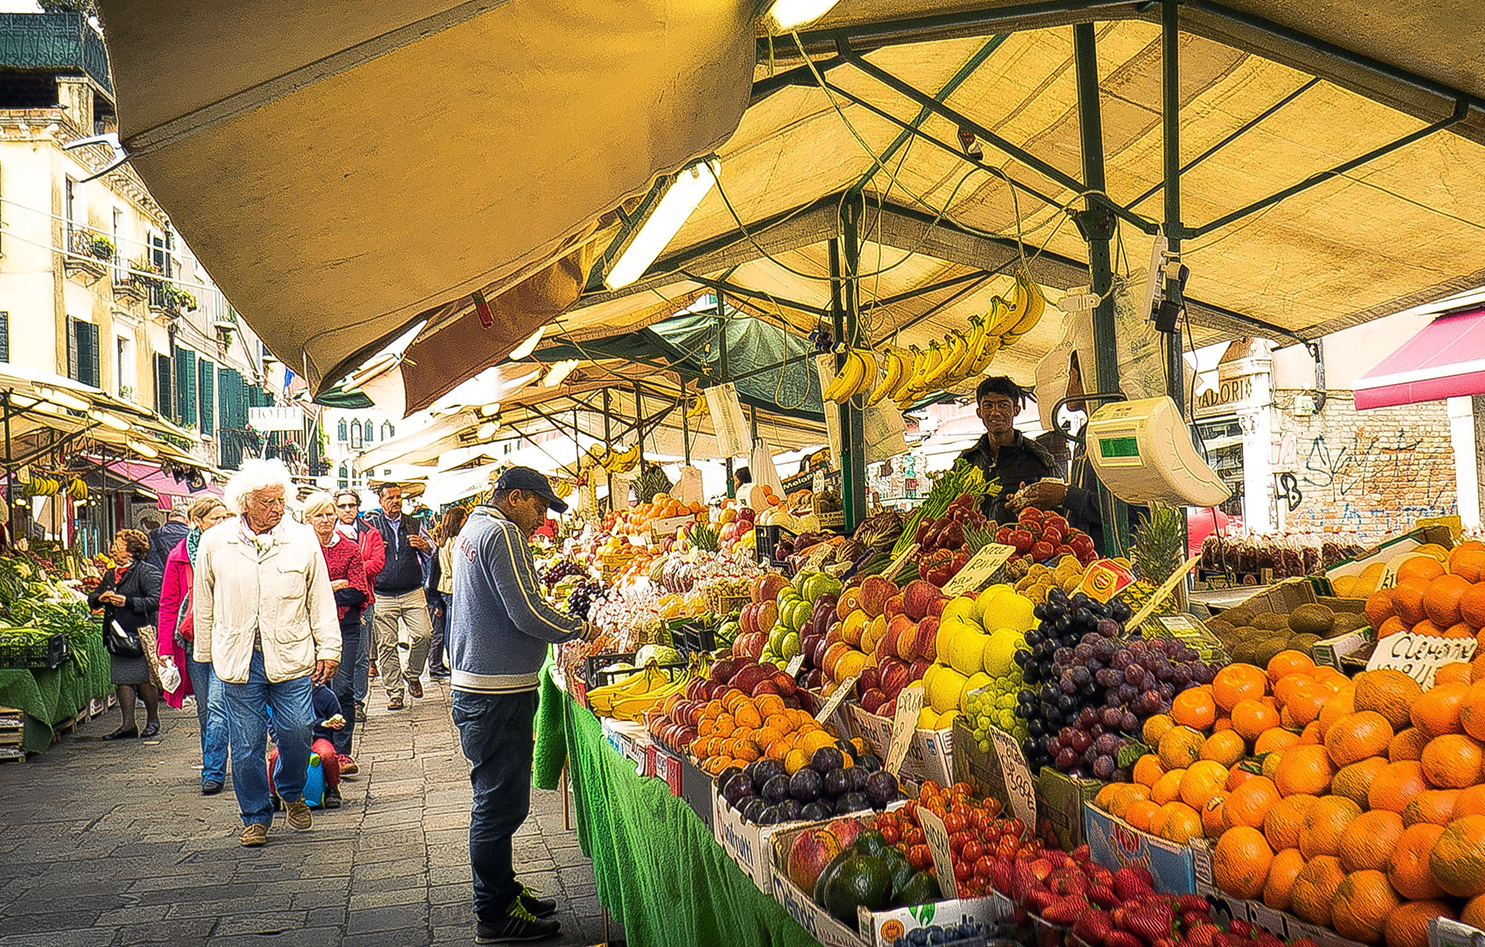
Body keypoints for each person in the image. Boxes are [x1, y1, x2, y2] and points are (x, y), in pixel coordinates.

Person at [449, 467, 601, 943]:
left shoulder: (474, 527)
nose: (541, 521)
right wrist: (579, 628)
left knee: (499, 799)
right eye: (539, 508)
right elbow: (527, 610)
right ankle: (493, 913)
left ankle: (503, 889)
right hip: (495, 693)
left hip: (479, 684)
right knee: (498, 804)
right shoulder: (502, 533)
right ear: (514, 498)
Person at [194, 459, 340, 848]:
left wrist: (329, 648)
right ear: (244, 503)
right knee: (245, 743)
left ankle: (290, 789)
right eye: (267, 502)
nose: (277, 508)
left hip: (291, 653)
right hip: (238, 658)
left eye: (280, 499)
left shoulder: (303, 538)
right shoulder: (215, 542)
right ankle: (255, 815)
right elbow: (204, 601)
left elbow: (320, 598)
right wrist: (205, 655)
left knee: (297, 730)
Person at [157, 496, 235, 793]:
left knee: (217, 705)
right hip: (194, 642)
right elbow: (168, 603)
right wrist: (164, 647)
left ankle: (213, 771)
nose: (222, 522)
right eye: (216, 518)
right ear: (198, 522)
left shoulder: (235, 549)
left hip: (228, 639)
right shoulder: (179, 555)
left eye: (225, 516)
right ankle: (212, 762)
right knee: (205, 709)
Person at [304, 491, 371, 789]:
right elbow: (300, 589)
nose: (326, 519)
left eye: (329, 513)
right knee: (316, 687)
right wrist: (333, 586)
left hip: (346, 625)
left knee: (343, 688)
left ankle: (342, 752)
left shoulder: (350, 548)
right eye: (319, 514)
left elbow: (359, 591)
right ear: (308, 519)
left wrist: (322, 591)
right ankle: (320, 746)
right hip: (310, 629)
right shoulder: (302, 549)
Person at [89, 529, 163, 740]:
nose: (114, 548)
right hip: (117, 635)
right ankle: (128, 724)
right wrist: (100, 598)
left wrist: (128, 602)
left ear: (132, 549)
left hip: (138, 633)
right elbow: (94, 596)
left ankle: (152, 720)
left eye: (118, 544)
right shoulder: (111, 574)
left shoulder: (147, 571)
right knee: (122, 679)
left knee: (142, 679)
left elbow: (156, 600)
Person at [365, 483, 433, 711]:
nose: (395, 501)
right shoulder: (372, 526)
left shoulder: (413, 523)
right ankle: (395, 692)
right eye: (390, 498)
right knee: (386, 645)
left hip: (412, 590)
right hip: (383, 593)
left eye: (398, 497)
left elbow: (432, 547)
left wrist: (423, 545)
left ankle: (413, 673)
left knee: (424, 634)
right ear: (381, 502)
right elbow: (361, 553)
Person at [958, 376, 1059, 524]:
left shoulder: (1039, 459)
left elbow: (1058, 512)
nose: (995, 412)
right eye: (988, 406)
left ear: (1016, 410)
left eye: (1003, 405)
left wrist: (1031, 506)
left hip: (1020, 543)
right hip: (975, 546)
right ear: (979, 412)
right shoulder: (967, 461)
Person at [334, 490, 385, 723]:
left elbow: (377, 563)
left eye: (351, 505)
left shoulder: (369, 533)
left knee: (360, 654)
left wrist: (352, 570)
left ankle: (357, 700)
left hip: (364, 601)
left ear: (358, 507)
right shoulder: (326, 531)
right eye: (342, 505)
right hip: (332, 603)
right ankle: (334, 701)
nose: (347, 510)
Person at [267, 681, 346, 808]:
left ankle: (332, 787)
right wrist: (279, 738)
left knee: (328, 754)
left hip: (318, 738)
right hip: (290, 739)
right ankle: (272, 792)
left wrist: (337, 723)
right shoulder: (285, 695)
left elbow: (336, 715)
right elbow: (272, 720)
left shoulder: (325, 695)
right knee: (274, 756)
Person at [427, 505, 469, 679]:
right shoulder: (455, 543)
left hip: (444, 589)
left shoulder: (444, 542)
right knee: (452, 628)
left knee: (446, 628)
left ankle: (448, 663)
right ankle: (454, 663)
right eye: (465, 517)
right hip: (452, 589)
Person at [146, 506, 190, 573]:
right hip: (185, 576)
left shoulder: (153, 534)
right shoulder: (192, 536)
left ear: (169, 518)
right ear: (187, 519)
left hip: (159, 577)